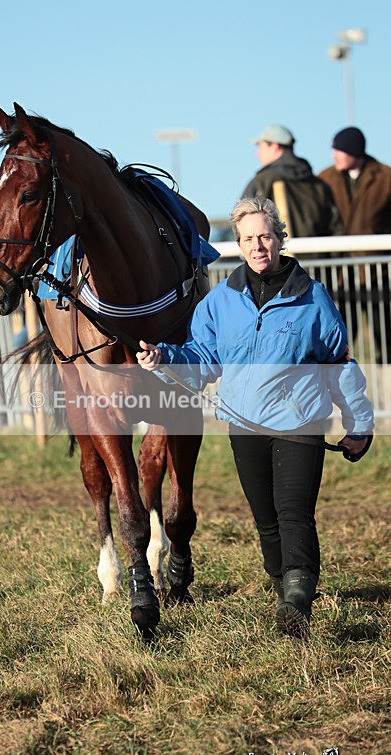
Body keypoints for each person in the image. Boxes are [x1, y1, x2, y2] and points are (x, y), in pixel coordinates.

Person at [136, 197, 373, 639]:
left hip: (300, 423)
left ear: (281, 239)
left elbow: (339, 365)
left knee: (293, 513)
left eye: (265, 236)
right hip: (243, 425)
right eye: (248, 238)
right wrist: (164, 356)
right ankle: (284, 589)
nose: (258, 245)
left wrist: (359, 425)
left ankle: (299, 596)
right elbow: (203, 359)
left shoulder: (312, 298)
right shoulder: (221, 302)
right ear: (239, 245)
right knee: (265, 518)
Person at [319, 127, 391, 361]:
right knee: (341, 335)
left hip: (377, 273)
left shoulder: (385, 178)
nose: (333, 156)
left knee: (385, 332)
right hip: (340, 273)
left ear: (353, 151)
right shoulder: (325, 179)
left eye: (338, 150)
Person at [241, 124, 343, 238]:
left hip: (278, 254)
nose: (257, 154)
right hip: (317, 254)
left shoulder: (262, 182)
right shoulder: (319, 185)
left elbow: (241, 222)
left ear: (275, 146)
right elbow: (335, 228)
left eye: (261, 147)